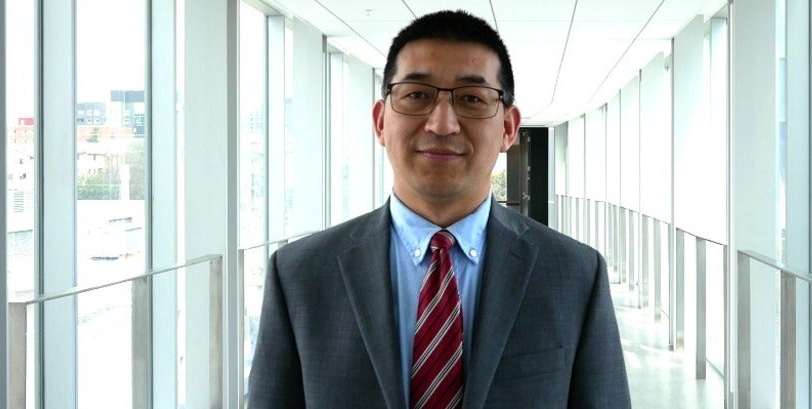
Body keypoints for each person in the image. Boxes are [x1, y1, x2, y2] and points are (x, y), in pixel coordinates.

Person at [247, 9, 630, 409]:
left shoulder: (575, 276)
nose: (442, 124)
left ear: (508, 128)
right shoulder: (299, 276)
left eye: (471, 99)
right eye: (416, 95)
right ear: (380, 122)